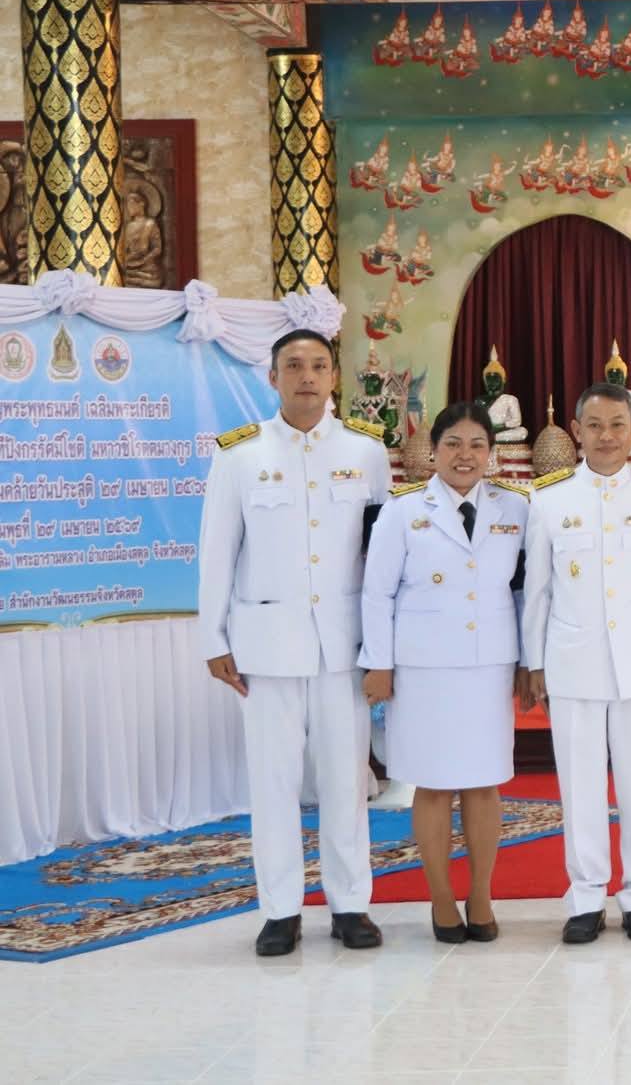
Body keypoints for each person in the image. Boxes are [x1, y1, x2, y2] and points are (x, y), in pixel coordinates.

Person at [197, 329, 390, 957]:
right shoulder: (240, 456)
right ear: (272, 377)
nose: (306, 376)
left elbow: (383, 558)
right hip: (265, 649)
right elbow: (217, 552)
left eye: (318, 366)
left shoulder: (366, 452)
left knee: (346, 781)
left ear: (335, 377)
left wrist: (383, 646)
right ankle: (279, 909)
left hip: (344, 650)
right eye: (293, 366)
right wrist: (213, 637)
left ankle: (350, 904)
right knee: (272, 784)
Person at [359, 401, 527, 943]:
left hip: (488, 667)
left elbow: (524, 592)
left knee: (483, 786)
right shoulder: (402, 512)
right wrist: (378, 664)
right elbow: (377, 591)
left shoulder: (514, 510)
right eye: (453, 443)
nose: (465, 455)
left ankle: (480, 895)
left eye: (477, 445)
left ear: (491, 455)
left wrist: (529, 662)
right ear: (433, 451)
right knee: (431, 787)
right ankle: (440, 900)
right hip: (424, 670)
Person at [521, 382, 631, 944]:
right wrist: (531, 661)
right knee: (580, 786)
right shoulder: (549, 497)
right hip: (572, 662)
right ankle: (585, 896)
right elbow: (537, 590)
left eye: (617, 424)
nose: (607, 436)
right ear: (577, 429)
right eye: (595, 425)